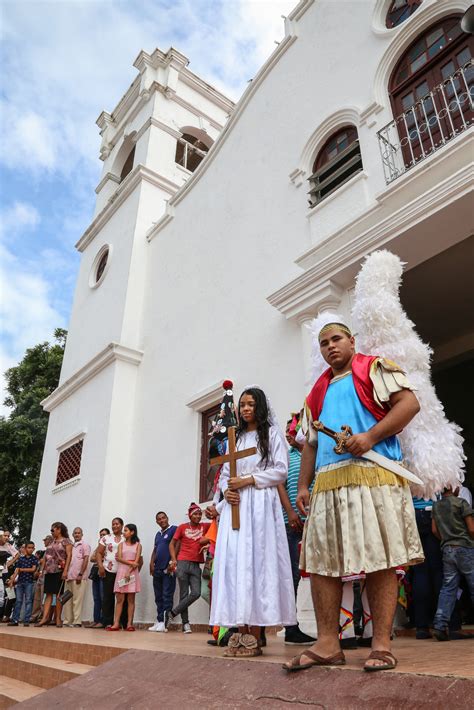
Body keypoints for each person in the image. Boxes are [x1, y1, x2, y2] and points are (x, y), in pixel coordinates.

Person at [284, 322, 423, 672]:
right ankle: (328, 642)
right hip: (328, 483)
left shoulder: (373, 368)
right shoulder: (316, 392)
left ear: (351, 342)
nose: (330, 347)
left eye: (336, 339)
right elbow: (311, 443)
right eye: (323, 343)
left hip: (375, 476)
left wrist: (371, 436)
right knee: (321, 563)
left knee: (380, 558)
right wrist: (303, 486)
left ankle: (381, 644)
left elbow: (409, 404)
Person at [210, 386, 297, 657]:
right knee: (237, 565)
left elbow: (280, 471)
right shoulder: (234, 439)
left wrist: (248, 480)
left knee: (258, 563)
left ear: (258, 407)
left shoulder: (271, 435)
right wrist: (228, 491)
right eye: (242, 405)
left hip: (260, 506)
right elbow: (225, 472)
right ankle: (240, 628)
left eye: (250, 404)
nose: (245, 409)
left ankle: (256, 633)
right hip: (236, 508)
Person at [277, 414, 316, 646]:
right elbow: (280, 484)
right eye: (287, 431)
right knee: (291, 575)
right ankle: (291, 627)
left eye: (292, 430)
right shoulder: (286, 456)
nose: (288, 435)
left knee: (322, 573)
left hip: (315, 521)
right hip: (290, 522)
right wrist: (291, 512)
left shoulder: (314, 454)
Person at [432, 486, 474, 641]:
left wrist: (446, 540)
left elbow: (435, 530)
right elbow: (471, 528)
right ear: (454, 487)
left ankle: (440, 625)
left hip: (447, 550)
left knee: (448, 588)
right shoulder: (462, 503)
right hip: (465, 548)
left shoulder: (436, 505)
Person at [168, 503, 210, 633]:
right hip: (182, 563)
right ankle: (185, 624)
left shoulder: (205, 526)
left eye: (199, 514)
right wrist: (174, 559)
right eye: (195, 514)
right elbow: (172, 544)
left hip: (196, 565)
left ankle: (172, 612)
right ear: (190, 515)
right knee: (184, 593)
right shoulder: (182, 527)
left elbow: (216, 525)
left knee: (196, 593)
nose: (198, 516)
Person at [35, 522, 72, 628]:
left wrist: (66, 571)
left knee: (58, 594)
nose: (51, 532)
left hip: (60, 570)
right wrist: (42, 570)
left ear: (59, 529)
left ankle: (58, 618)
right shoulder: (51, 542)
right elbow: (45, 557)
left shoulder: (66, 541)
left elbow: (69, 556)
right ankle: (44, 618)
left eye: (53, 530)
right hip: (49, 571)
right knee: (48, 594)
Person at [106, 524, 141, 632]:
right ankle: (116, 623)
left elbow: (137, 561)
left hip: (132, 573)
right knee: (120, 599)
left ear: (132, 532)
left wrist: (129, 571)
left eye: (125, 530)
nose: (123, 532)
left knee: (131, 599)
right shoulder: (121, 544)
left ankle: (129, 624)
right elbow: (119, 558)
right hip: (122, 572)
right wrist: (130, 564)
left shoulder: (138, 545)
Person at [149, 512, 177, 633]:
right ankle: (160, 620)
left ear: (167, 518)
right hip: (157, 569)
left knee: (167, 595)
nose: (161, 520)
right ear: (157, 522)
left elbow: (177, 545)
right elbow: (155, 549)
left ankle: (165, 623)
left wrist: (172, 561)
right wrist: (151, 562)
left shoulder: (173, 529)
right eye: (159, 519)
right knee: (158, 596)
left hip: (168, 568)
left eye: (163, 518)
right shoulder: (158, 534)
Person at [97, 518, 125, 628]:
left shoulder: (126, 537)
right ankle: (108, 621)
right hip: (108, 571)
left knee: (123, 598)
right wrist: (100, 566)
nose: (115, 526)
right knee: (107, 597)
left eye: (117, 524)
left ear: (122, 525)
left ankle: (122, 622)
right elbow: (99, 553)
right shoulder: (106, 538)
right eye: (113, 524)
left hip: (122, 572)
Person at [63, 527, 91, 628]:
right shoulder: (71, 546)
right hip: (68, 578)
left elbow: (86, 560)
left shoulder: (85, 545)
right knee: (66, 600)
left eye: (79, 533)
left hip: (79, 578)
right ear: (73, 534)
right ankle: (67, 621)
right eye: (75, 533)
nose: (77, 535)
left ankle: (76, 622)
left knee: (77, 601)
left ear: (82, 534)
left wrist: (80, 574)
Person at [8, 541, 39, 626]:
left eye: (32, 548)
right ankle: (15, 620)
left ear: (34, 549)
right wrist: (12, 581)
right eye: (29, 547)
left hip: (29, 582)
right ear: (25, 549)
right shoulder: (21, 559)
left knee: (28, 601)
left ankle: (26, 621)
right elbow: (17, 570)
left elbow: (33, 569)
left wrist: (22, 569)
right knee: (18, 601)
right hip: (20, 582)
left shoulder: (34, 558)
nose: (31, 549)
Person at [89, 527, 109, 628]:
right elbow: (92, 558)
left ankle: (103, 620)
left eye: (104, 534)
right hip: (95, 574)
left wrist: (99, 558)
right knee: (96, 598)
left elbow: (106, 559)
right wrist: (99, 557)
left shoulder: (109, 546)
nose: (102, 536)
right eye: (101, 535)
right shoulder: (98, 547)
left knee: (103, 597)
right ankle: (96, 620)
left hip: (104, 573)